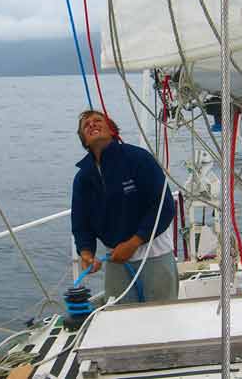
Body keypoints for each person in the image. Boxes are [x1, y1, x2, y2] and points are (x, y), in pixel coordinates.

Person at [71, 110, 178, 303]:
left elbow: (165, 207)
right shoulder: (83, 178)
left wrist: (133, 243)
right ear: (84, 141)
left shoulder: (138, 159)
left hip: (154, 253)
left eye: (97, 121)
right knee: (120, 321)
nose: (92, 125)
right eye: (86, 125)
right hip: (116, 262)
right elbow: (81, 222)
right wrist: (86, 253)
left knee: (163, 319)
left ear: (112, 131)